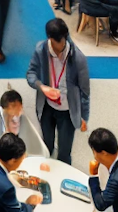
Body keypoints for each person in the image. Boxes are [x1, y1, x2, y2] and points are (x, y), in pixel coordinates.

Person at [26, 18, 90, 163]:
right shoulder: (40, 50)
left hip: (67, 110)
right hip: (47, 107)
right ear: (50, 39)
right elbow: (30, 74)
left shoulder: (78, 58)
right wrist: (42, 87)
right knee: (46, 146)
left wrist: (84, 116)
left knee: (64, 153)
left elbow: (85, 90)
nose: (61, 49)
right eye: (57, 44)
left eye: (63, 42)